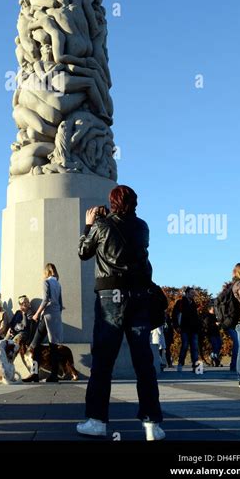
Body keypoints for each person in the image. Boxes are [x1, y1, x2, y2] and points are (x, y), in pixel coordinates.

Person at [76, 185, 164, 441]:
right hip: (139, 297)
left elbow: (83, 252)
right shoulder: (143, 227)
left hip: (109, 298)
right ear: (135, 203)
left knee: (103, 362)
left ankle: (96, 421)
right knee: (143, 362)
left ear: (112, 203)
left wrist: (89, 225)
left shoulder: (101, 226)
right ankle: (152, 425)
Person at [23, 265, 64, 384]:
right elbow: (61, 305)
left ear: (46, 272)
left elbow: (45, 300)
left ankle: (34, 374)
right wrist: (56, 314)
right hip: (56, 316)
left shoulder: (46, 282)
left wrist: (37, 314)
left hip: (47, 317)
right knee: (54, 346)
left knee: (35, 345)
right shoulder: (58, 284)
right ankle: (54, 375)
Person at [172, 288, 200, 372]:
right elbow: (174, 315)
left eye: (193, 293)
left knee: (194, 347)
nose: (193, 294)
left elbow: (195, 317)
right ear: (187, 293)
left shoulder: (193, 304)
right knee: (184, 346)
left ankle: (195, 366)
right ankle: (180, 363)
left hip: (194, 329)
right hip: (184, 328)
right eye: (191, 293)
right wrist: (176, 326)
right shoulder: (180, 303)